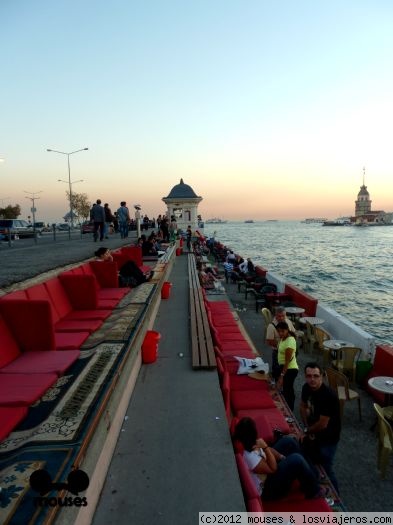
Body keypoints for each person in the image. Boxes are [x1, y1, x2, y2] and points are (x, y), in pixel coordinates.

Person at [234, 417, 325, 501]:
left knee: (289, 442)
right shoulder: (250, 457)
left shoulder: (250, 443)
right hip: (268, 489)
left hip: (267, 468)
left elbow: (268, 450)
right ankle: (314, 491)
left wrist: (280, 456)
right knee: (297, 460)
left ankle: (313, 476)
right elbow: (273, 469)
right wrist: (265, 447)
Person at [300, 362, 341, 493]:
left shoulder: (329, 396)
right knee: (312, 459)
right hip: (315, 432)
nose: (312, 379)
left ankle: (336, 496)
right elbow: (302, 406)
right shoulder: (306, 388)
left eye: (316, 376)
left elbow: (323, 424)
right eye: (309, 376)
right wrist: (307, 426)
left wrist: (306, 431)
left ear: (322, 377)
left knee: (326, 467)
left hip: (329, 438)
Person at [266, 307, 297, 382]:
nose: (281, 318)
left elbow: (293, 332)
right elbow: (269, 341)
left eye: (283, 316)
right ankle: (277, 385)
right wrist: (281, 345)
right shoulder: (271, 326)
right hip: (277, 353)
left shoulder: (288, 321)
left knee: (287, 371)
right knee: (277, 372)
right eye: (279, 316)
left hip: (289, 351)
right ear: (275, 316)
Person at [275, 321, 299, 411]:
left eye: (282, 331)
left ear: (287, 330)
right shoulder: (283, 338)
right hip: (285, 368)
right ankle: (288, 407)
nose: (280, 333)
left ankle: (290, 410)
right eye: (279, 331)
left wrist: (282, 376)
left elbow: (287, 361)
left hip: (290, 369)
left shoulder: (290, 341)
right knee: (286, 389)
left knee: (288, 391)